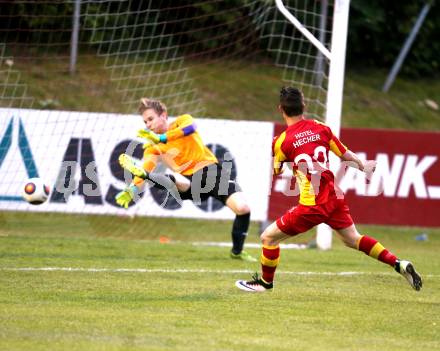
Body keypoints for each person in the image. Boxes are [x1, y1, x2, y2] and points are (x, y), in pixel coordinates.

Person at [235, 86, 422, 292]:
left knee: (268, 238)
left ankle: (265, 283)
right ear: (304, 106)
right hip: (333, 197)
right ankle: (398, 263)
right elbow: (344, 154)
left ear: (281, 109)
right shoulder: (320, 127)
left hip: (311, 206)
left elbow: (277, 170)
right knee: (353, 239)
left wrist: (287, 156)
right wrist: (362, 165)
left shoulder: (281, 142)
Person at [115, 98, 257, 262]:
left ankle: (237, 252)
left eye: (150, 119)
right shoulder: (152, 148)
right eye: (145, 121)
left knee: (243, 208)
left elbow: (191, 128)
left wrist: (162, 138)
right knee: (175, 179)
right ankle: (152, 179)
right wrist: (133, 188)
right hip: (188, 182)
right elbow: (144, 169)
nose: (147, 124)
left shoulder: (183, 121)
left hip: (212, 173)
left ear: (163, 115)